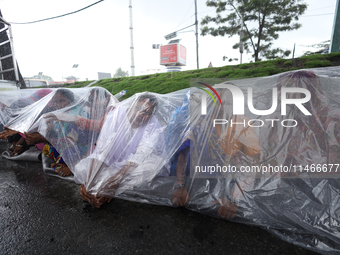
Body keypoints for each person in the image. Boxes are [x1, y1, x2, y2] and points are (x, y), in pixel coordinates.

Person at [78, 93, 166, 208]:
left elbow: (139, 156)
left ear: (152, 115)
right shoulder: (115, 116)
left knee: (151, 168)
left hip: (137, 162)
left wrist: (115, 181)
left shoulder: (153, 127)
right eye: (138, 108)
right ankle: (98, 190)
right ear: (131, 106)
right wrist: (89, 183)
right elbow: (103, 149)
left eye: (147, 112)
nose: (141, 114)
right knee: (84, 168)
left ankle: (105, 190)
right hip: (114, 157)